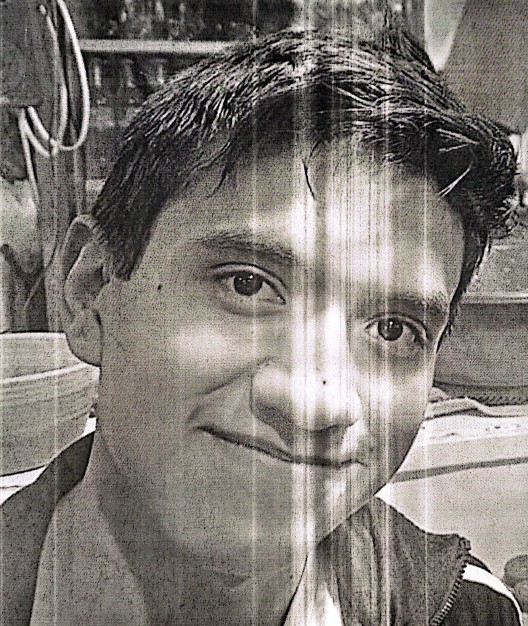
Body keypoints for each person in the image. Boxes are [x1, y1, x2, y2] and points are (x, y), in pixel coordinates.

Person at [1, 23, 523, 625]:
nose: (315, 402)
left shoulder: (470, 612)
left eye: (392, 330)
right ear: (92, 290)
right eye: (247, 284)